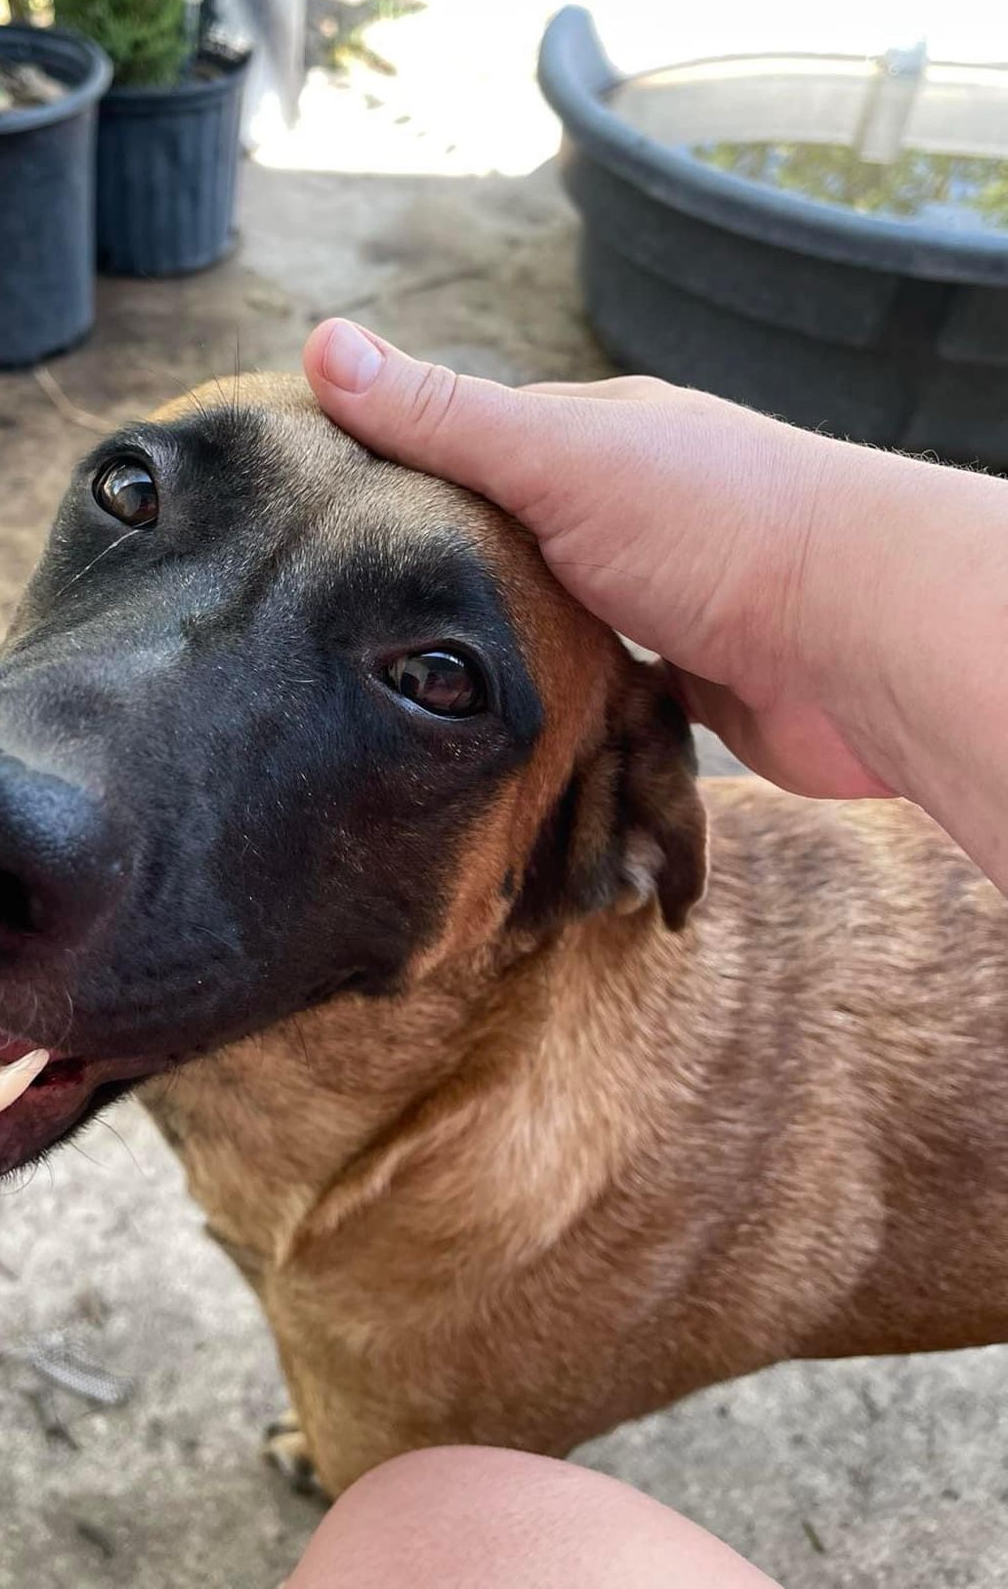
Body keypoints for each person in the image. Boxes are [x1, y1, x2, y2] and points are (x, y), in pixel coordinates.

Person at [285, 317, 1008, 1588]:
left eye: (441, 678)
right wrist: (802, 556)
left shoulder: (498, 1288)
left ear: (606, 850)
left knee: (424, 1511)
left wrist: (814, 546)